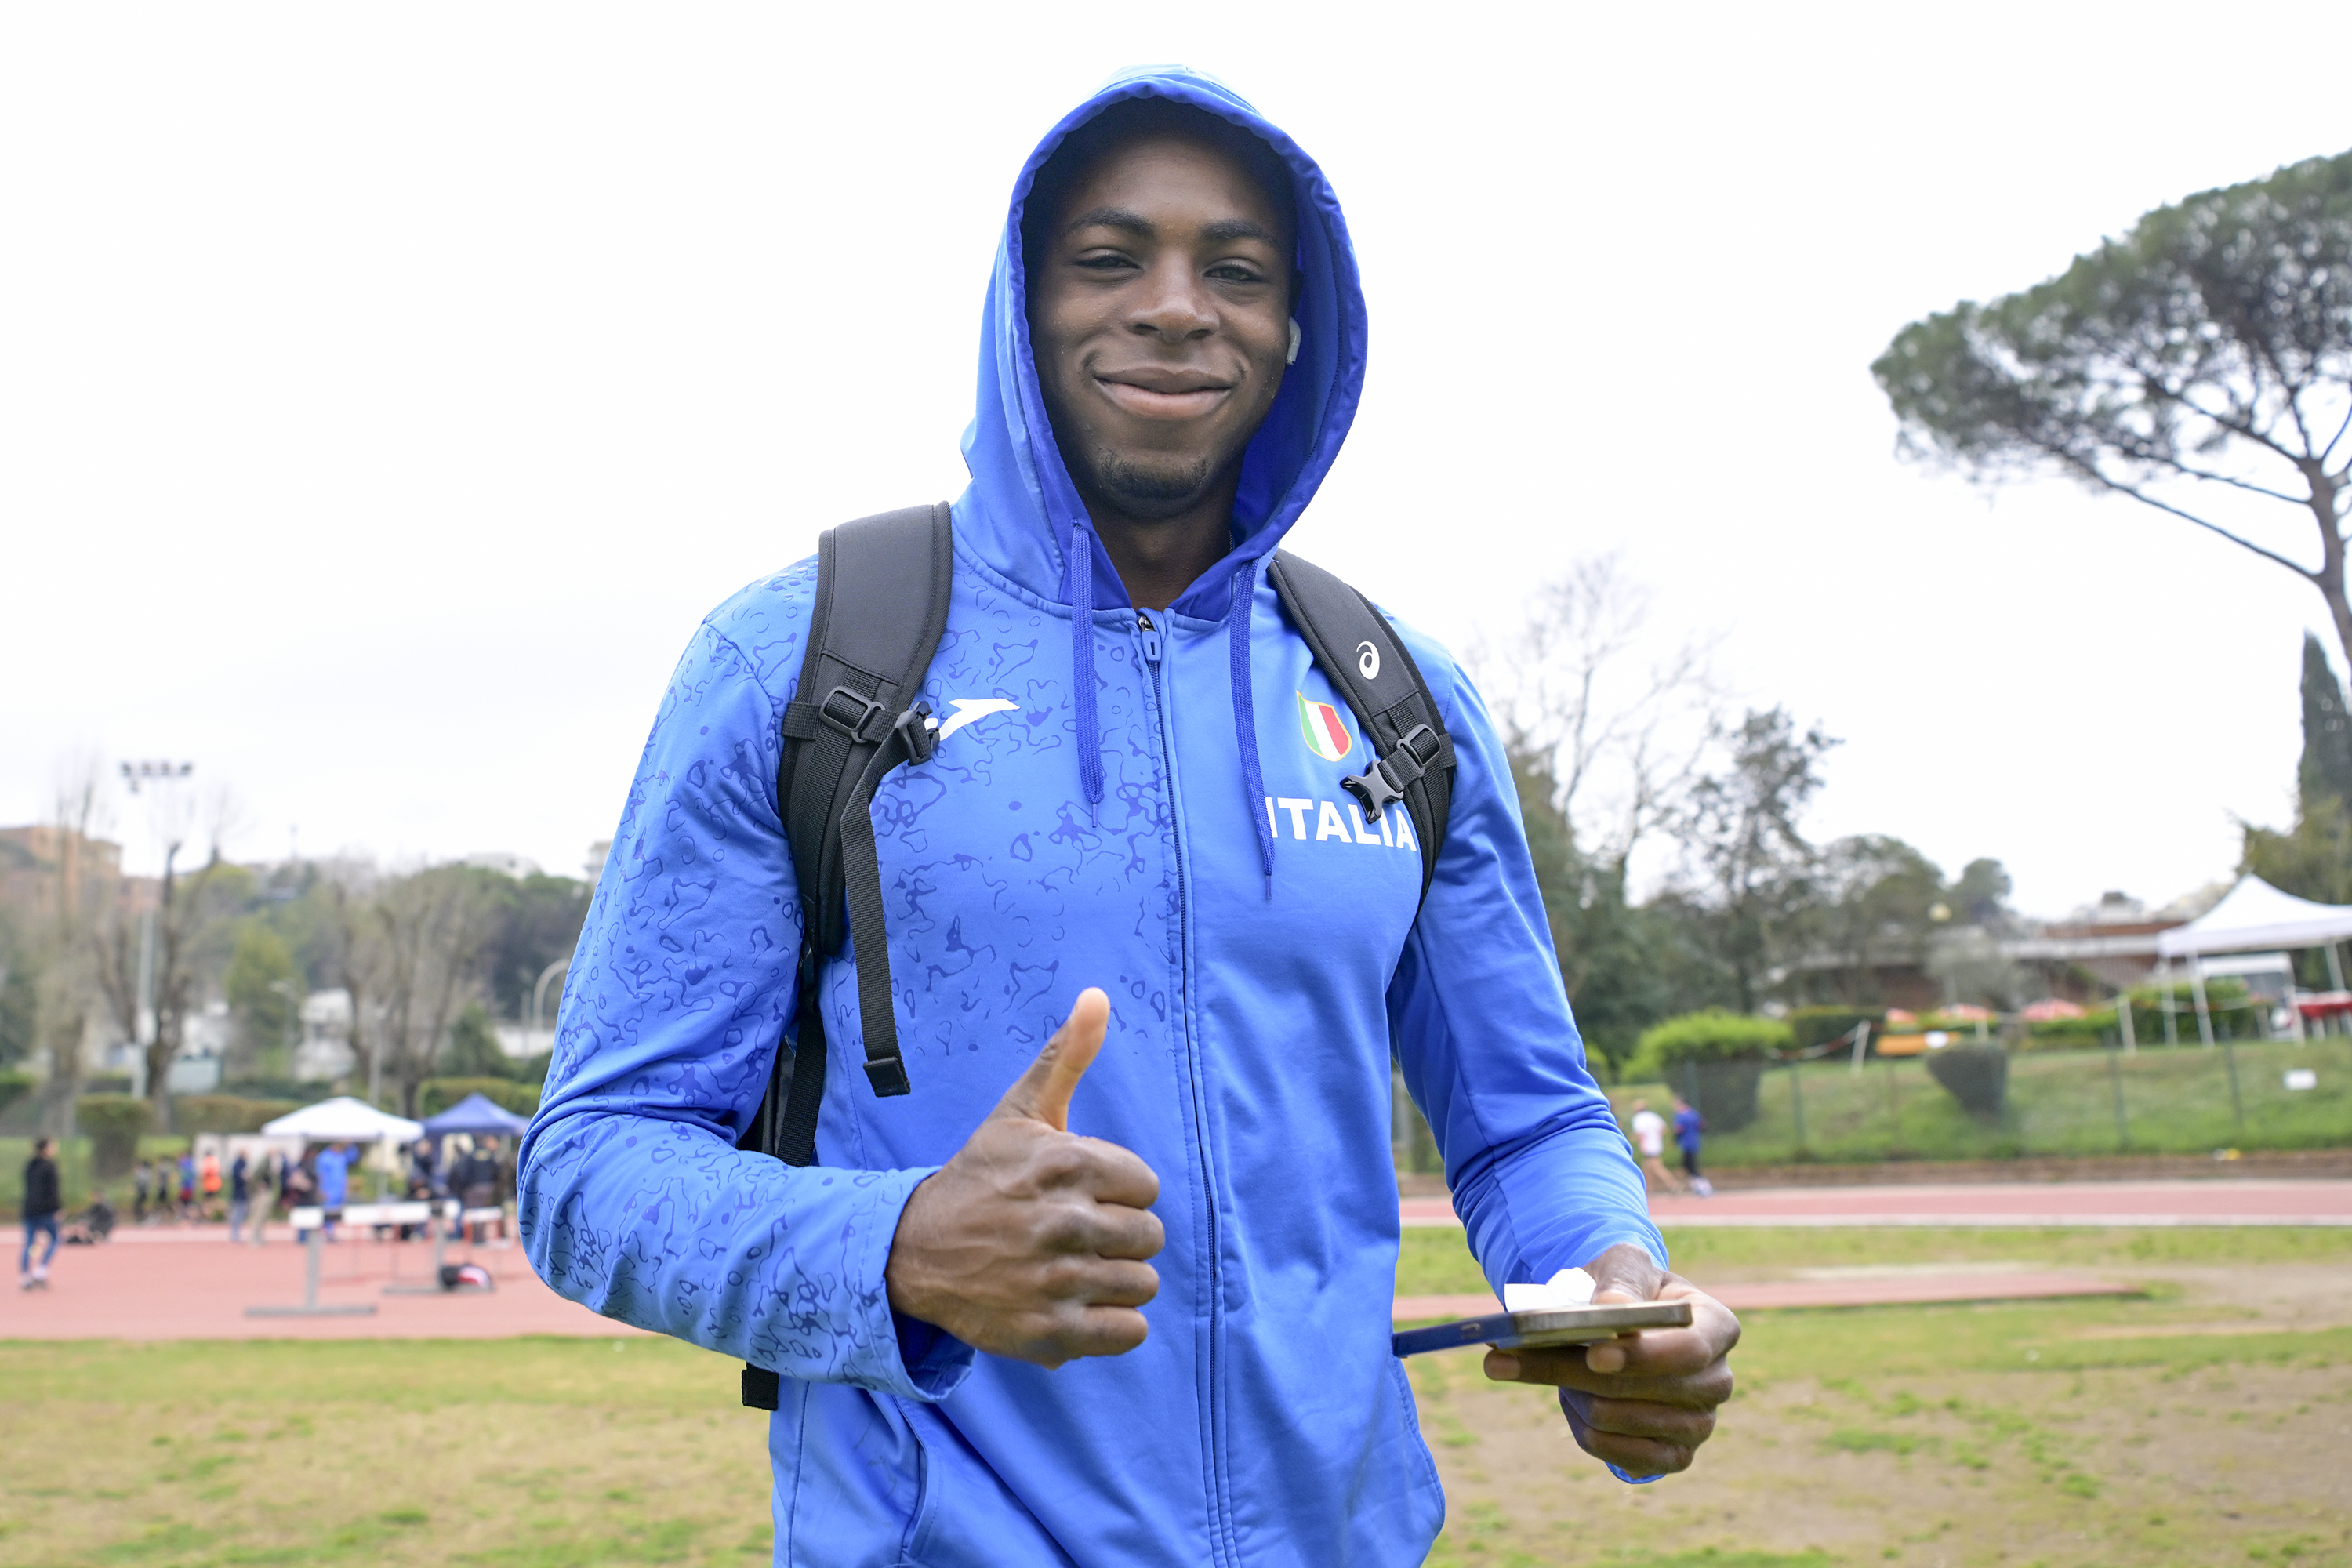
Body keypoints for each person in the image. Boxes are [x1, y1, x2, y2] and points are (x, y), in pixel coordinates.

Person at [519, 69, 1738, 1567]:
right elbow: (592, 1164)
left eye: (1238, 269)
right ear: (1021, 310)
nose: (1175, 307)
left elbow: (1531, 1120)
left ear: (1298, 329)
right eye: (1109, 258)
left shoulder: (1397, 700)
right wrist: (897, 1246)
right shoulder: (803, 663)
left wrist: (1615, 1283)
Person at [20, 1136, 61, 1289]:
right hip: (46, 1210)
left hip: (29, 1209)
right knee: (55, 1239)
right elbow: (52, 1191)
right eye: (52, 1146)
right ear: (46, 1149)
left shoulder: (30, 1165)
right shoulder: (50, 1166)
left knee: (29, 1243)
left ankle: (25, 1276)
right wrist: (57, 1209)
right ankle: (40, 1271)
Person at [1628, 1098, 1684, 1195]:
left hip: (1648, 1146)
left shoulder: (1638, 1119)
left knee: (1657, 1168)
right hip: (1657, 1145)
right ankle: (1648, 1188)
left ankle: (1674, 1185)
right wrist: (1657, 1137)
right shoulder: (1653, 1117)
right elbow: (1664, 1129)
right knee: (1647, 1168)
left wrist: (1636, 1140)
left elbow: (1640, 1134)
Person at [1671, 1092, 1712, 1197]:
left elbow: (1678, 1129)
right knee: (1688, 1166)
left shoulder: (1681, 1116)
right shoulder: (1693, 1113)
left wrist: (1675, 1140)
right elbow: (1703, 1125)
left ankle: (1704, 1187)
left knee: (1691, 1167)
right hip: (1695, 1142)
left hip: (1686, 1144)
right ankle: (1697, 1186)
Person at [314, 1142, 347, 1240]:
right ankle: (325, 1232)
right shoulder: (324, 1157)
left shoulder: (341, 1157)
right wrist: (321, 1189)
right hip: (328, 1190)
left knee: (335, 1213)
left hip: (339, 1191)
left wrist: (345, 1189)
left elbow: (343, 1175)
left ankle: (331, 1232)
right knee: (326, 1213)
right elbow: (320, 1175)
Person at [227, 1150, 252, 1241]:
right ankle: (235, 1234)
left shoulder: (243, 1164)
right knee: (238, 1213)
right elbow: (238, 1178)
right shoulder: (238, 1165)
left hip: (243, 1193)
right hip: (239, 1193)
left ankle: (236, 1233)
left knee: (241, 1213)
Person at [132, 1158, 152, 1225]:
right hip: (142, 1192)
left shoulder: (141, 1173)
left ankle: (143, 1218)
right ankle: (142, 1218)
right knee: (139, 1205)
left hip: (143, 1192)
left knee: (138, 1205)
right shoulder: (142, 1173)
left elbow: (143, 1183)